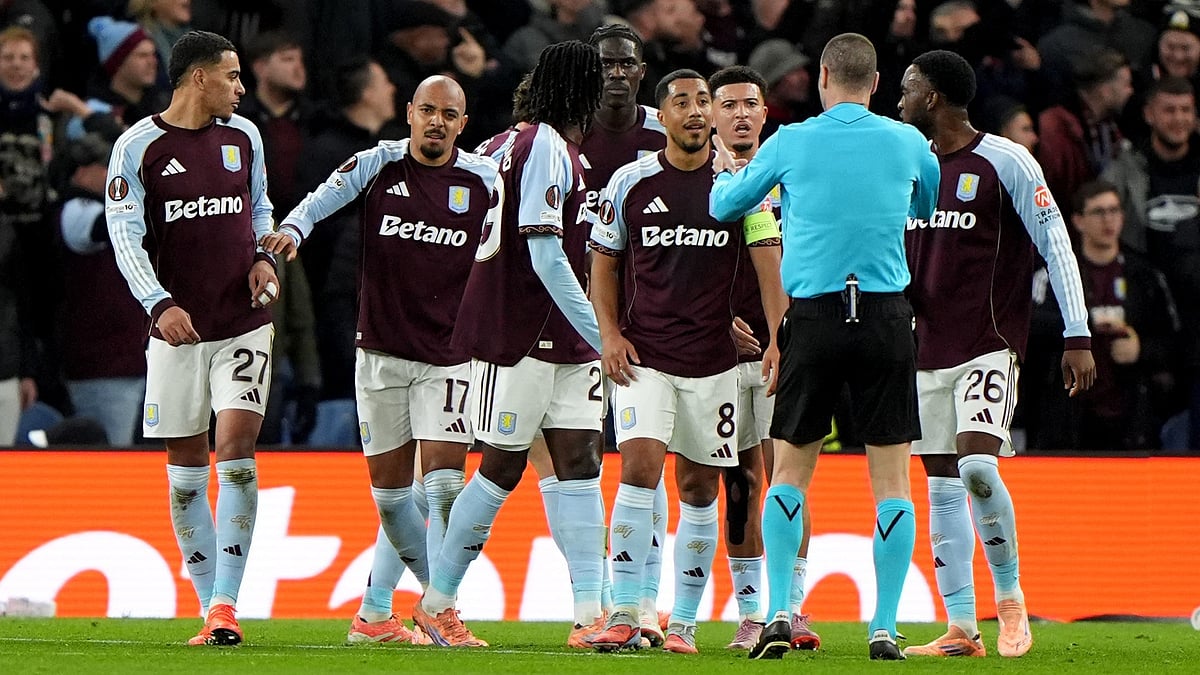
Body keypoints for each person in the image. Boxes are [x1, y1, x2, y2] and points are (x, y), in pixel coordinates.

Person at [710, 32, 940, 661]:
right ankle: (886, 627)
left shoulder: (790, 141)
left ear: (821, 79)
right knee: (891, 482)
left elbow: (724, 204)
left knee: (789, 474)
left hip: (811, 316)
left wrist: (734, 171)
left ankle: (781, 610)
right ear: (873, 83)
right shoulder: (908, 141)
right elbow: (926, 203)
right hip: (887, 315)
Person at [261, 74, 496, 644]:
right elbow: (324, 197)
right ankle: (375, 616)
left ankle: (441, 609)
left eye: (449, 114)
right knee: (393, 502)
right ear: (410, 113)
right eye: (427, 110)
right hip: (381, 354)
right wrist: (294, 226)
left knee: (442, 486)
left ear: (463, 125)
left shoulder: (487, 179)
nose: (437, 121)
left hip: (449, 356)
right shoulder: (379, 164)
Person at [897, 49, 1095, 659]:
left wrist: (1077, 333)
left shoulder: (1005, 160)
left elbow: (1055, 242)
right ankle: (961, 628)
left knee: (978, 468)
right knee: (939, 486)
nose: (897, 100)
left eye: (906, 89)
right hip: (923, 351)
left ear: (932, 98)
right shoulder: (907, 166)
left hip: (989, 345)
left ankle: (1010, 602)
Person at [413, 40, 607, 650]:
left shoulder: (504, 143)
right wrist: (606, 333)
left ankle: (590, 616)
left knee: (580, 463)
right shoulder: (547, 145)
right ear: (582, 91)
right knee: (500, 467)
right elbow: (546, 253)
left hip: (553, 338)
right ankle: (437, 604)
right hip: (519, 334)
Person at [586, 67, 786, 656]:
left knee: (700, 489)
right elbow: (604, 265)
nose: (697, 111)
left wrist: (780, 338)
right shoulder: (631, 182)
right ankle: (623, 612)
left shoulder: (741, 186)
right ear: (663, 117)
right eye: (683, 102)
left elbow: (768, 266)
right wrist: (609, 333)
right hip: (645, 358)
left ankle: (684, 625)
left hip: (716, 364)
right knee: (639, 469)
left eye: (704, 101)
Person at [105, 30, 279, 646]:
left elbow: (260, 209)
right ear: (199, 77)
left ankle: (227, 604)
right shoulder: (137, 147)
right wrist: (159, 304)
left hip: (242, 324)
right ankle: (211, 610)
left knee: (235, 449)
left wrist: (265, 258)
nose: (240, 87)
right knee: (185, 472)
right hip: (177, 331)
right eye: (231, 76)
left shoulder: (245, 137)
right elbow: (125, 236)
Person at [707, 64, 820, 653]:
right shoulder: (698, 176)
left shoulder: (791, 171)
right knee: (741, 481)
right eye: (729, 105)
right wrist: (713, 323)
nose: (742, 114)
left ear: (765, 111)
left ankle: (791, 609)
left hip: (790, 344)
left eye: (751, 103)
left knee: (789, 478)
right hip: (719, 351)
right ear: (711, 113)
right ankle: (752, 613)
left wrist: (789, 333)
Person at [1031, 181, 1181, 450]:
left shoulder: (1145, 276)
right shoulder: (1054, 275)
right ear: (1078, 221)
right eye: (1098, 212)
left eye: (1114, 211)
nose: (1108, 220)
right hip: (1068, 419)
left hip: (1132, 420)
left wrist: (1140, 349)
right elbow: (1029, 330)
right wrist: (1084, 325)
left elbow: (1175, 341)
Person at [57, 130, 147, 447]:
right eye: (107, 167)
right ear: (83, 170)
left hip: (130, 359)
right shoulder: (75, 210)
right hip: (101, 367)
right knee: (111, 455)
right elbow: (107, 227)